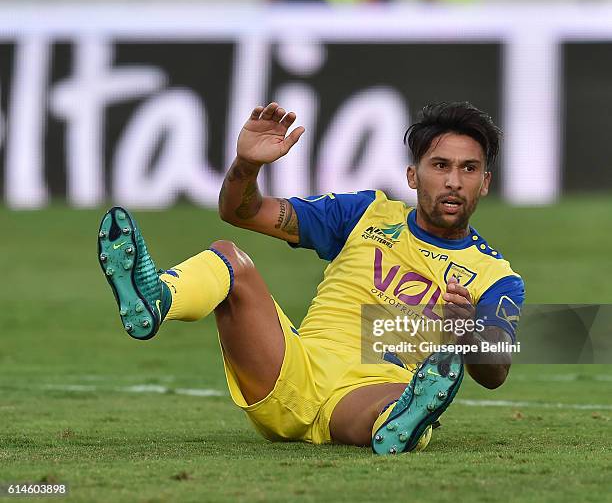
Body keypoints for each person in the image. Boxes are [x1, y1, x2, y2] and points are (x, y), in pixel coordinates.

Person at [97, 101, 524, 454]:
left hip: (370, 390)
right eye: (440, 165)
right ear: (413, 175)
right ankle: (156, 299)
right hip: (292, 366)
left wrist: (464, 328)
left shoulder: (497, 277)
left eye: (469, 169)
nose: (453, 182)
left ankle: (406, 421)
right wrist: (246, 165)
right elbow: (241, 212)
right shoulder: (364, 213)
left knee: (401, 404)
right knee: (228, 257)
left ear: (485, 183)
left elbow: (496, 371)